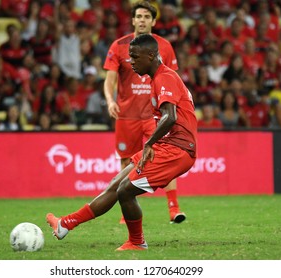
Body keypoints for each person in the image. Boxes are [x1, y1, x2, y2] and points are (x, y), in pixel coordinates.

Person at [46, 33, 198, 251]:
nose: (132, 63)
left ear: (152, 55)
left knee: (125, 191)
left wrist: (149, 143)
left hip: (178, 149)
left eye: (135, 58)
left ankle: (137, 242)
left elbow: (170, 116)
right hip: (167, 145)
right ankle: (65, 224)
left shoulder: (166, 77)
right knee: (117, 184)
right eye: (130, 58)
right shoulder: (158, 78)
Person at [102, 1, 185, 224]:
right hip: (127, 115)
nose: (142, 20)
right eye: (138, 16)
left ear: (154, 21)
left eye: (147, 17)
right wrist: (110, 100)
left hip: (154, 114)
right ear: (132, 20)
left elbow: (172, 78)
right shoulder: (119, 45)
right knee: (126, 161)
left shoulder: (165, 46)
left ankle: (173, 208)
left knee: (164, 156)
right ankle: (124, 211)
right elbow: (109, 79)